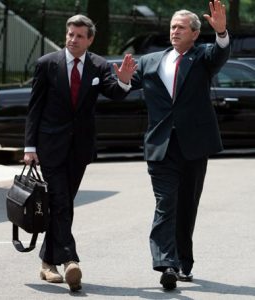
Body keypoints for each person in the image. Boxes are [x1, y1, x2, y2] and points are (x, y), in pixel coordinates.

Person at [23, 14, 136, 292]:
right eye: (70, 34)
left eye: (79, 36)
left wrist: (122, 81)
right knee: (60, 201)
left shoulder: (98, 65)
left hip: (80, 148)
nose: (73, 39)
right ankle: (70, 261)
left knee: (64, 204)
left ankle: (48, 262)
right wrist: (29, 147)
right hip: (50, 146)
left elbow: (114, 92)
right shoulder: (47, 64)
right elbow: (34, 108)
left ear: (90, 39)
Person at [130, 0, 230, 290]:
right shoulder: (150, 61)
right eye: (172, 26)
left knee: (187, 205)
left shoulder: (201, 58)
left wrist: (222, 32)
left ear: (195, 34)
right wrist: (123, 81)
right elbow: (123, 84)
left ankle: (184, 261)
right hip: (160, 145)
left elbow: (220, 54)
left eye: (181, 27)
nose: (174, 31)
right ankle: (167, 263)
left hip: (194, 145)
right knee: (166, 203)